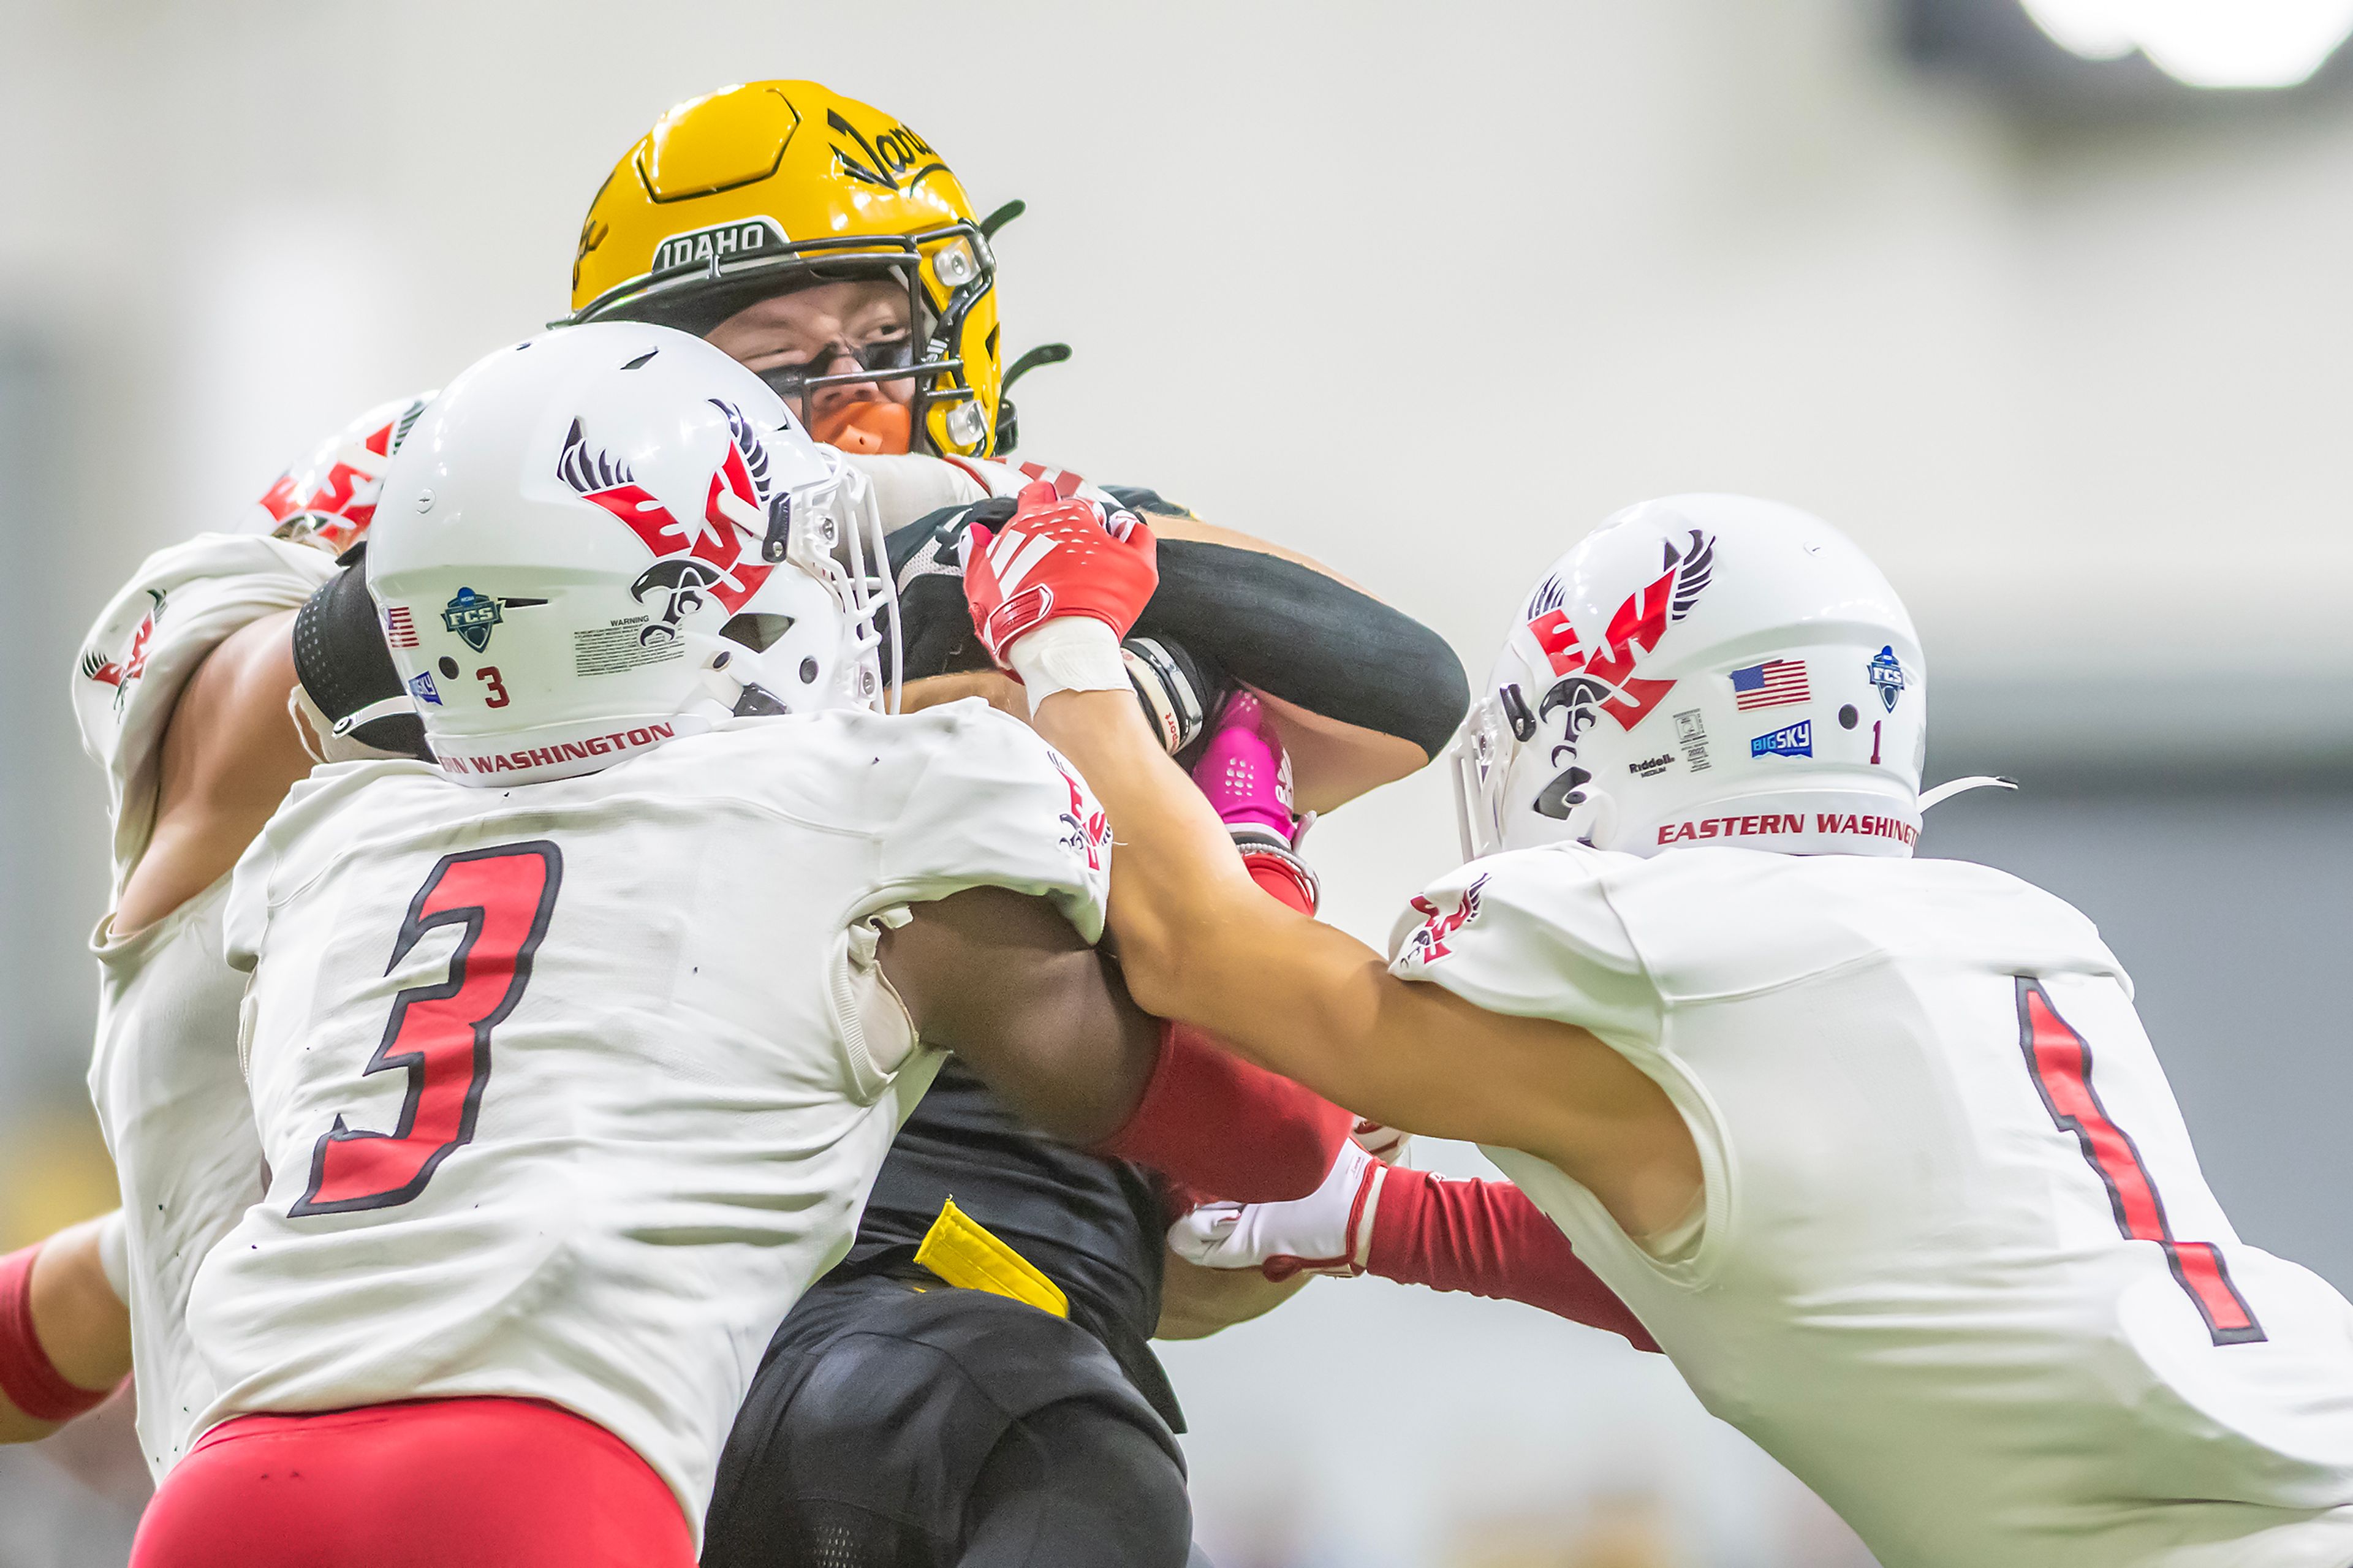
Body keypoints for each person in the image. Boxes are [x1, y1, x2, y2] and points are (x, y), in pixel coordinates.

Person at [126, 323, 1348, 1568]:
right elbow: (1281, 1129)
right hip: (537, 1483)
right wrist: (1238, 814)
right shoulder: (869, 797)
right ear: (675, 601)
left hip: (223, 1492)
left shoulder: (326, 838)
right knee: (1069, 1454)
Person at [969, 483, 2353, 1568]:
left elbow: (1220, 967)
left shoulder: (1694, 961)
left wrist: (1070, 652)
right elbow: (1766, 1273)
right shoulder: (1998, 939)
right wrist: (1370, 1221)